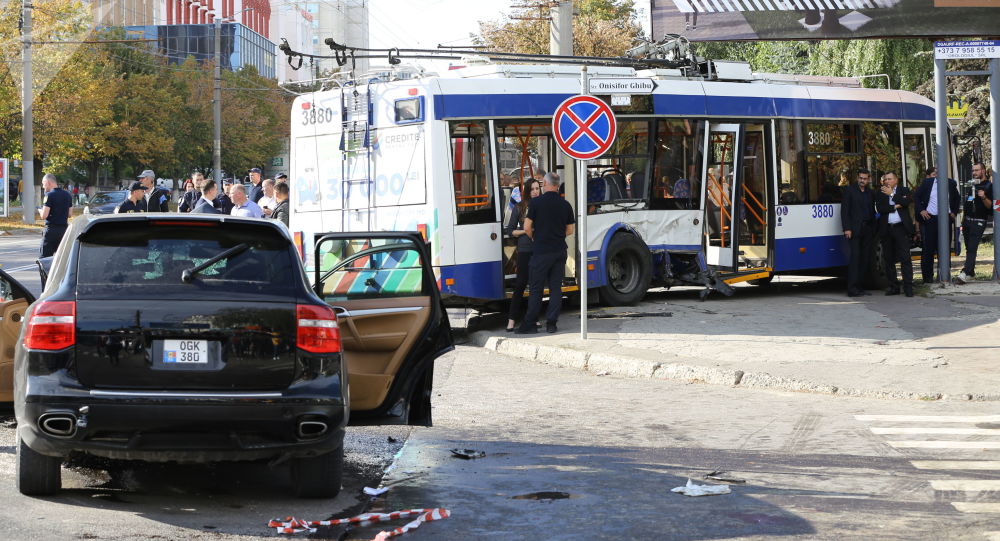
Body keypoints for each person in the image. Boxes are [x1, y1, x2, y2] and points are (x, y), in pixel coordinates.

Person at [515, 172, 575, 334]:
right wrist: (556, 235)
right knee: (556, 288)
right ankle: (551, 324)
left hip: (541, 252)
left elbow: (527, 227)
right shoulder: (566, 205)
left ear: (545, 184)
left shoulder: (536, 204)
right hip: (559, 251)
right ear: (557, 185)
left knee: (536, 289)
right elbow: (570, 230)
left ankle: (530, 325)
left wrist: (535, 237)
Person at [504, 179, 541, 332]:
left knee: (535, 285)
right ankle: (511, 320)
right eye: (532, 189)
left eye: (537, 188)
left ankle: (534, 318)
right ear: (527, 191)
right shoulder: (519, 207)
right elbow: (510, 230)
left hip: (539, 249)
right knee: (520, 285)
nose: (535, 191)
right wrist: (526, 231)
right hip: (525, 249)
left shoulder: (542, 206)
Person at [914, 166, 961, 283]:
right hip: (930, 219)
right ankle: (927, 278)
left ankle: (944, 276)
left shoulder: (950, 183)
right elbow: (916, 196)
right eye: (936, 173)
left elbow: (957, 198)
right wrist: (921, 210)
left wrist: (954, 213)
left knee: (944, 248)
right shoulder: (928, 182)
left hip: (946, 219)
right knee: (928, 249)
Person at [875, 172, 915, 297]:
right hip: (886, 229)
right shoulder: (880, 193)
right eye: (885, 179)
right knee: (888, 259)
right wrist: (895, 206)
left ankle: (908, 287)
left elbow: (906, 202)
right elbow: (881, 209)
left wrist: (892, 194)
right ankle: (893, 286)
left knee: (905, 258)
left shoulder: (903, 190)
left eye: (890, 179)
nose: (887, 181)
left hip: (900, 228)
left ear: (896, 180)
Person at [955, 162, 993, 284]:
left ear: (983, 171)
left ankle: (965, 272)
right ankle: (970, 272)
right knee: (969, 248)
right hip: (967, 222)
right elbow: (967, 204)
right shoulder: (972, 185)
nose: (974, 173)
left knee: (972, 248)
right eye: (973, 170)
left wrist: (983, 197)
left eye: (976, 170)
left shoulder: (988, 186)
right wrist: (963, 221)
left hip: (979, 221)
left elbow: (990, 207)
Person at [841, 168, 876, 297]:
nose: (862, 181)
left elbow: (872, 210)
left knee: (865, 258)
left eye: (865, 178)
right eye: (860, 178)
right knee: (855, 258)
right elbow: (845, 211)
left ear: (868, 179)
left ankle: (860, 287)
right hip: (854, 230)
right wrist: (847, 228)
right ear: (857, 178)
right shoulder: (849, 190)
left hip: (867, 229)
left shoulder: (870, 193)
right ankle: (852, 288)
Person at [38, 173, 72, 257]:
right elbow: (70, 214)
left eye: (43, 183)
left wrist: (39, 209)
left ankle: (47, 271)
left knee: (44, 258)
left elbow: (44, 216)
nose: (43, 186)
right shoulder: (67, 195)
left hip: (51, 231)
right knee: (61, 258)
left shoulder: (49, 195)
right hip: (64, 231)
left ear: (48, 182)